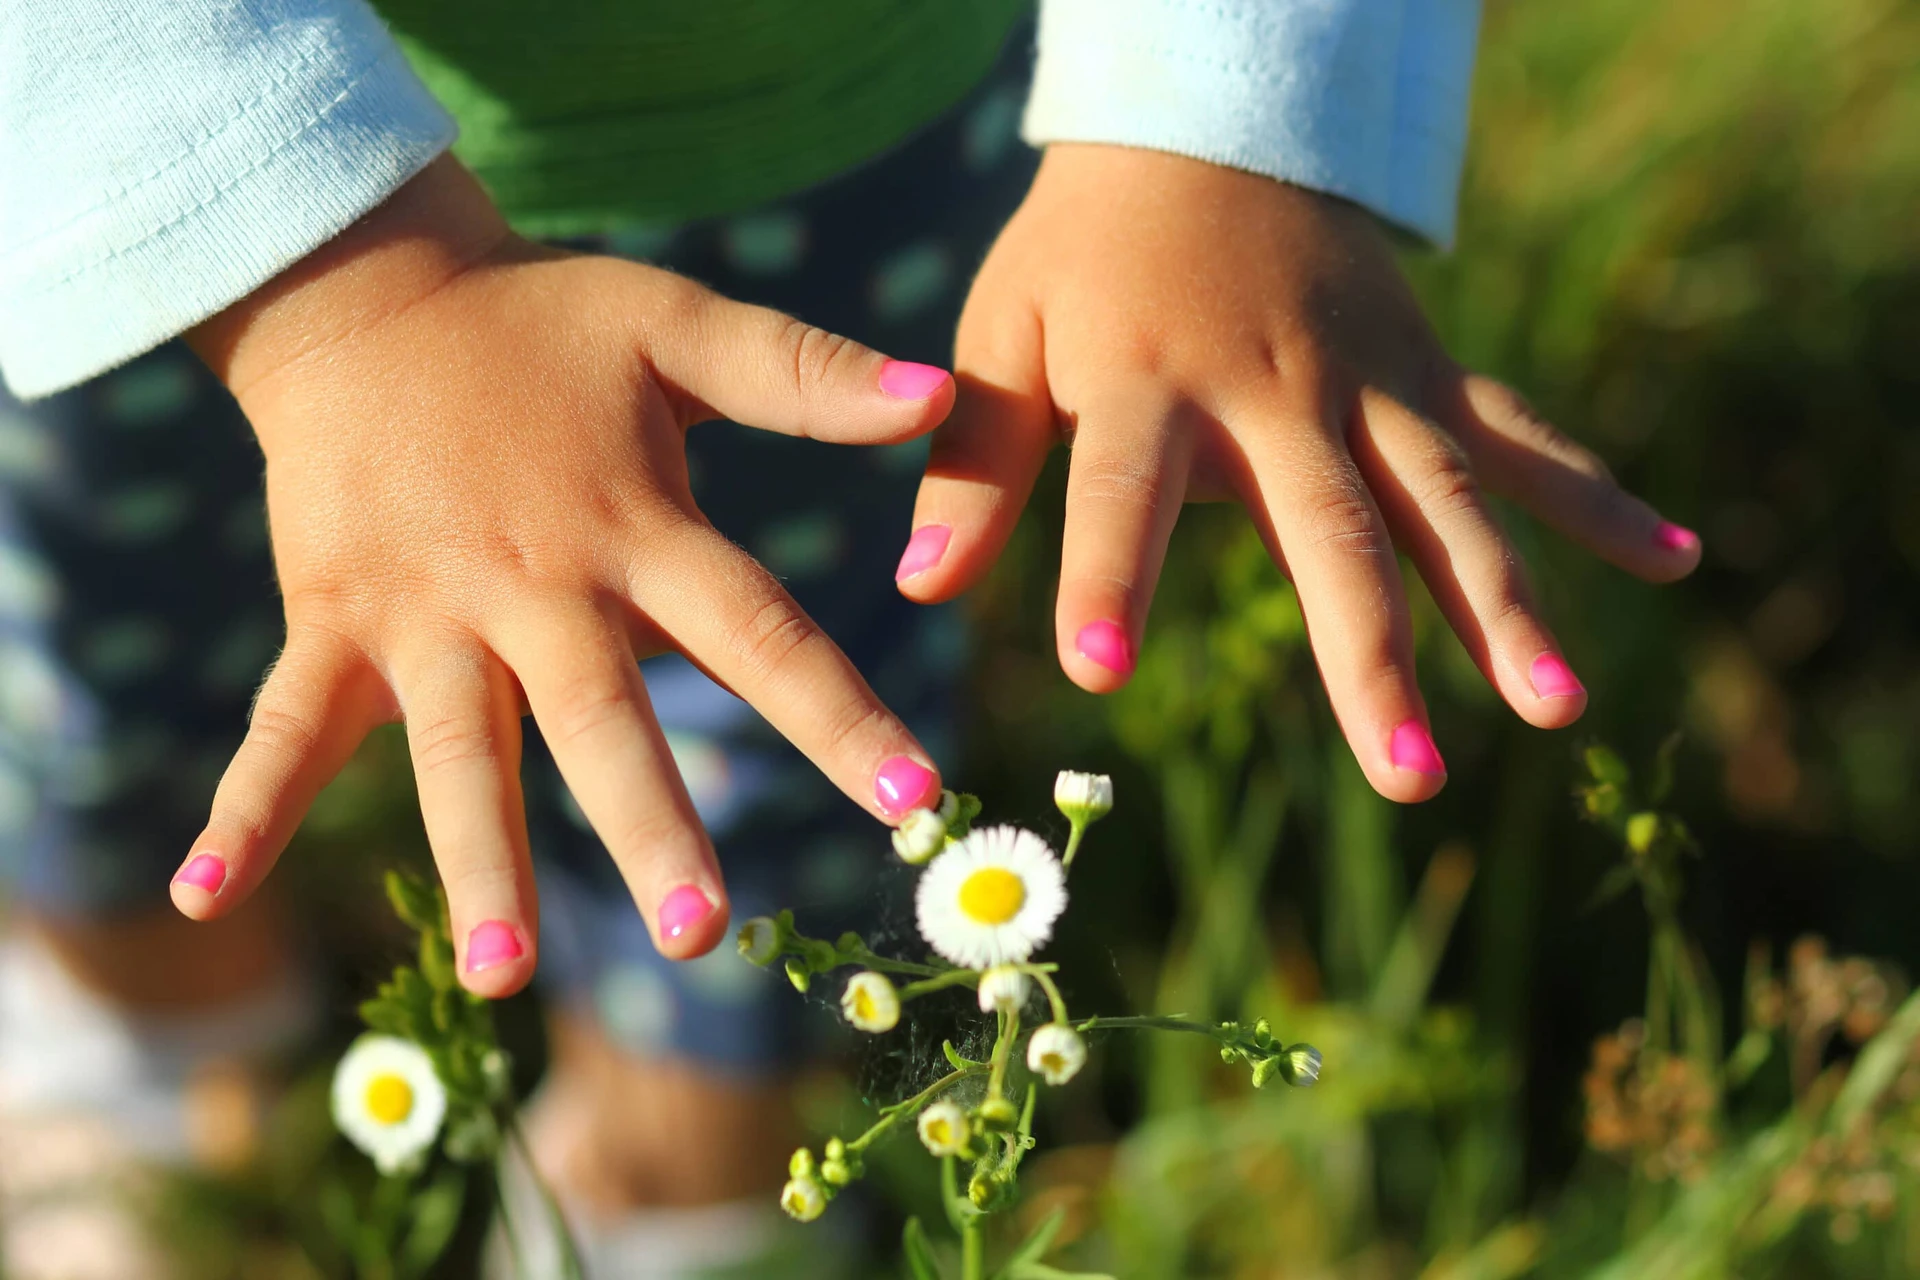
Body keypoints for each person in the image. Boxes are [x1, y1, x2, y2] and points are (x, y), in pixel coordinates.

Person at [0, 1, 1699, 1274]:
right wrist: (332, 279)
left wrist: (1224, 126)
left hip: (835, 134)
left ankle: (673, 1185)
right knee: (132, 689)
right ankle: (161, 1057)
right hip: (173, 220)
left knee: (767, 734)